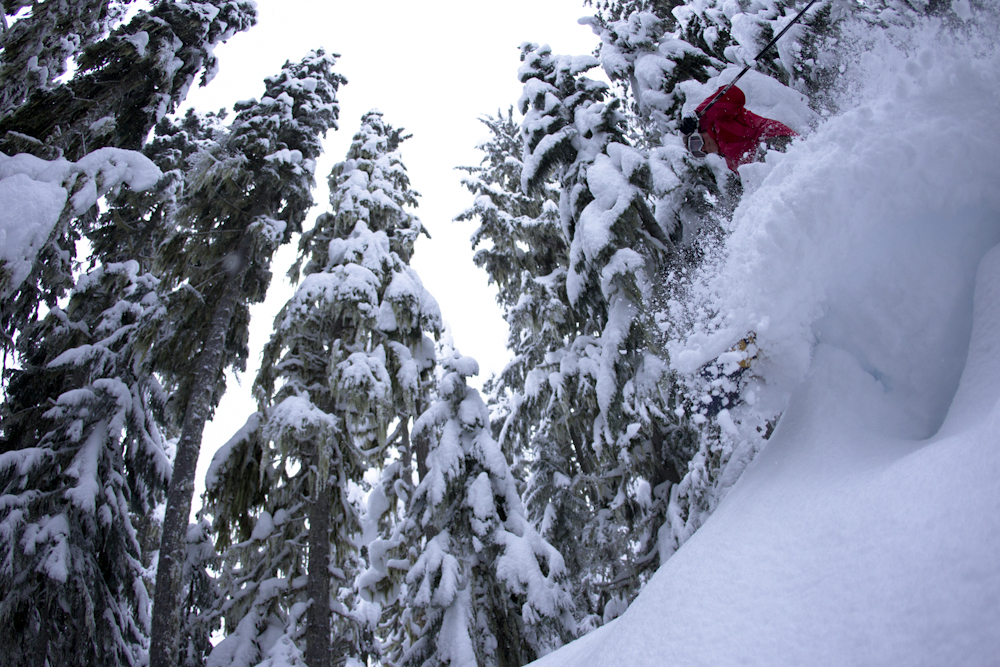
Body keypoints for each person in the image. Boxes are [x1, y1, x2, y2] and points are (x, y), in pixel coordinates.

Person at [681, 85, 796, 172]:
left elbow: (734, 94)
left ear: (700, 131)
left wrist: (700, 114)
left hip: (773, 137)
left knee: (766, 161)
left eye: (696, 143)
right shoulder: (731, 163)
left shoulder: (722, 119)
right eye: (699, 153)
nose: (704, 148)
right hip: (768, 163)